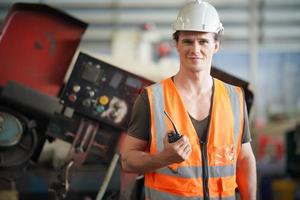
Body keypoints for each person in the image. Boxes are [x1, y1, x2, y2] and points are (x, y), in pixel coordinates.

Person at [121, 0, 257, 199]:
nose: (195, 49)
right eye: (187, 41)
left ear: (216, 45)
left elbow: (244, 158)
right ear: (176, 44)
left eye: (203, 41)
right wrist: (163, 158)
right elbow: (127, 160)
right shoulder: (151, 98)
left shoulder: (234, 97)